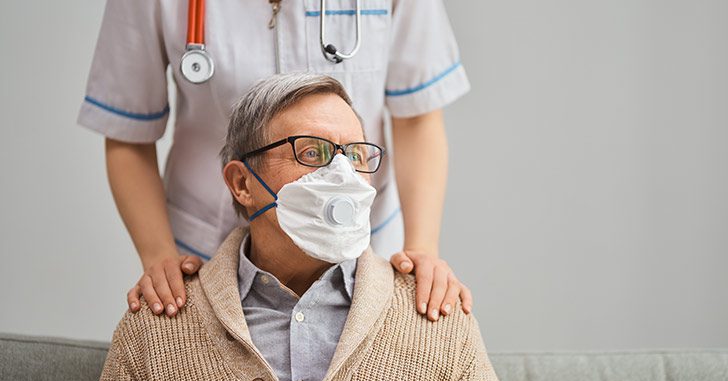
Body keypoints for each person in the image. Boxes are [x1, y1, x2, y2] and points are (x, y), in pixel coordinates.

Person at [82, 74, 518, 381]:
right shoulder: (156, 330)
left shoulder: (436, 318)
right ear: (242, 183)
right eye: (312, 153)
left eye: (356, 155)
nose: (342, 175)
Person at [78, 0, 473, 322]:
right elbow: (127, 134)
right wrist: (159, 256)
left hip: (361, 245)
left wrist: (422, 248)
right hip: (208, 253)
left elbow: (417, 117)